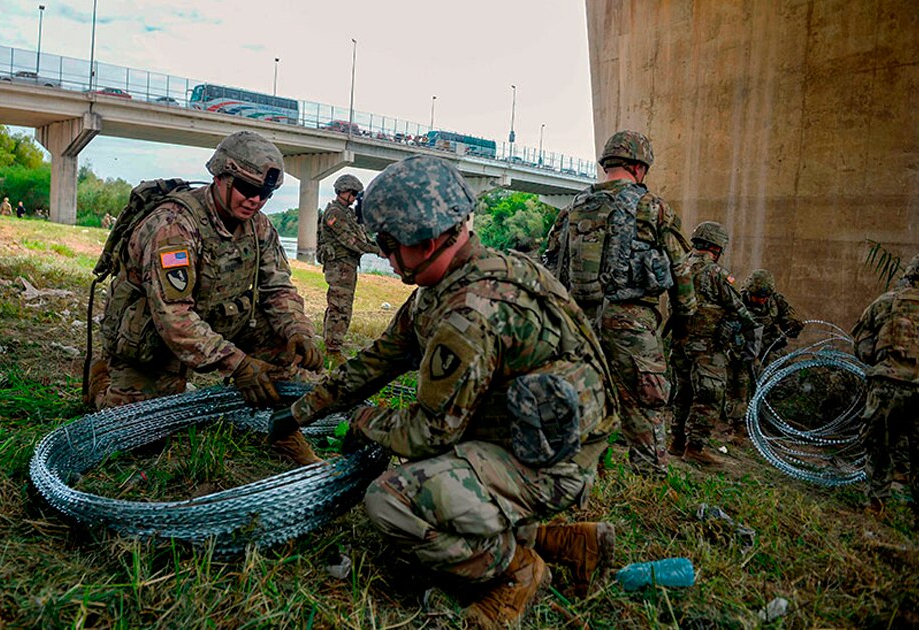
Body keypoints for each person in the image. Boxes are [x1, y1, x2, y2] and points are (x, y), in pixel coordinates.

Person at [271, 155, 619, 627]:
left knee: (392, 498)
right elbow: (382, 357)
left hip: (552, 459)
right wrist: (303, 410)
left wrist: (364, 422)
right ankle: (566, 542)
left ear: (430, 241)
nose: (386, 259)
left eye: (390, 246)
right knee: (431, 472)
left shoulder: (471, 312)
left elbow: (429, 432)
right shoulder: (456, 276)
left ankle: (514, 573)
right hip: (527, 432)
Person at [87, 130, 324, 465]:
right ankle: (102, 384)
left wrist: (299, 331)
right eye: (247, 188)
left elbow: (278, 288)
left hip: (218, 321)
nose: (255, 200)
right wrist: (239, 365)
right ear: (220, 177)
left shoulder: (260, 228)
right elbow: (173, 316)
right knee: (138, 440)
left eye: (265, 193)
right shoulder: (174, 226)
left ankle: (283, 431)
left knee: (282, 343)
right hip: (155, 339)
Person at [543, 130, 696, 477]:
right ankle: (649, 480)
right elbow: (682, 271)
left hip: (579, 321)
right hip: (630, 319)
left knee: (583, 397)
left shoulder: (572, 209)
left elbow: (551, 264)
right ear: (640, 167)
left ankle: (581, 476)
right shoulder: (651, 207)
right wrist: (684, 319)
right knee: (645, 401)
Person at [669, 221, 758, 466]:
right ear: (717, 247)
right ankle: (695, 447)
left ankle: (676, 442)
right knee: (709, 396)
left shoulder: (679, 266)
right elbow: (739, 309)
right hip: (707, 346)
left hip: (680, 342)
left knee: (683, 393)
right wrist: (741, 325)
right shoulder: (714, 273)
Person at [852, 253, 918, 522]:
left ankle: (876, 504)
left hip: (887, 385)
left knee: (880, 447)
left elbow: (862, 343)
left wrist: (885, 361)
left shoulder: (885, 302)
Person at [726, 268, 804, 425]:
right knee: (740, 383)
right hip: (745, 350)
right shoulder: (737, 301)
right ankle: (737, 421)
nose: (762, 300)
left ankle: (764, 414)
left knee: (786, 379)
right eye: (758, 296)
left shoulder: (775, 301)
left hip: (769, 348)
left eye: (765, 297)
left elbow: (787, 320)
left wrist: (793, 325)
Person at [316, 173, 379, 364]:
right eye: (352, 193)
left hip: (347, 266)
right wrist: (376, 251)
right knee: (340, 307)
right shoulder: (334, 213)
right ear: (342, 191)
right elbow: (350, 241)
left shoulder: (348, 213)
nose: (354, 197)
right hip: (339, 266)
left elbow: (362, 237)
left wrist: (378, 246)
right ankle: (333, 349)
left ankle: (330, 342)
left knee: (338, 304)